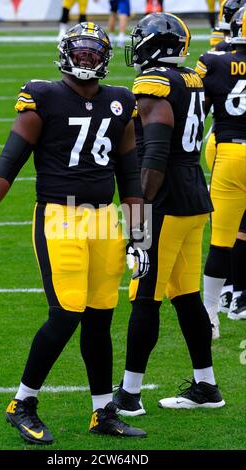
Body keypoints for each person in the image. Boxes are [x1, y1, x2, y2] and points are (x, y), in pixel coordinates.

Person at [0, 22, 149, 444]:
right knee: (66, 313)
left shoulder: (120, 101)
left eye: (93, 52)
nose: (86, 59)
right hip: (59, 218)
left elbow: (130, 176)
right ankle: (22, 403)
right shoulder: (43, 96)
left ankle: (103, 412)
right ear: (65, 54)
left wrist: (140, 236)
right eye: (79, 51)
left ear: (104, 58)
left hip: (106, 221)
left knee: (101, 319)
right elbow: (10, 159)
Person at [112, 12, 225, 415]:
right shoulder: (191, 78)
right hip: (193, 194)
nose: (135, 43)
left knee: (144, 296)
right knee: (185, 294)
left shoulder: (154, 83)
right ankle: (207, 386)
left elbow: (156, 154)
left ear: (153, 45)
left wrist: (138, 218)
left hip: (166, 201)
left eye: (140, 37)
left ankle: (128, 395)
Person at [195, 6, 246, 339]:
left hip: (228, 149)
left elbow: (198, 114)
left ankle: (211, 315)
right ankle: (238, 294)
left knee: (220, 241)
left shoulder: (213, 60)